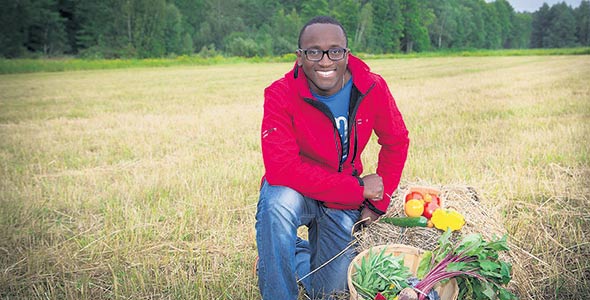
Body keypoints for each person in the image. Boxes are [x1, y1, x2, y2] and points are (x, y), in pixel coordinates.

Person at [255, 16, 409, 299]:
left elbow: (396, 141)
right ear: (300, 57)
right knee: (276, 204)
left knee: (330, 293)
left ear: (347, 55)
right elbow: (281, 170)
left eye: (335, 51)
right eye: (314, 52)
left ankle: (294, 255)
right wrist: (359, 190)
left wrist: (378, 202)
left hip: (339, 201)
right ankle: (278, 286)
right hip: (298, 191)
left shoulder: (372, 87)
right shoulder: (279, 94)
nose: (325, 61)